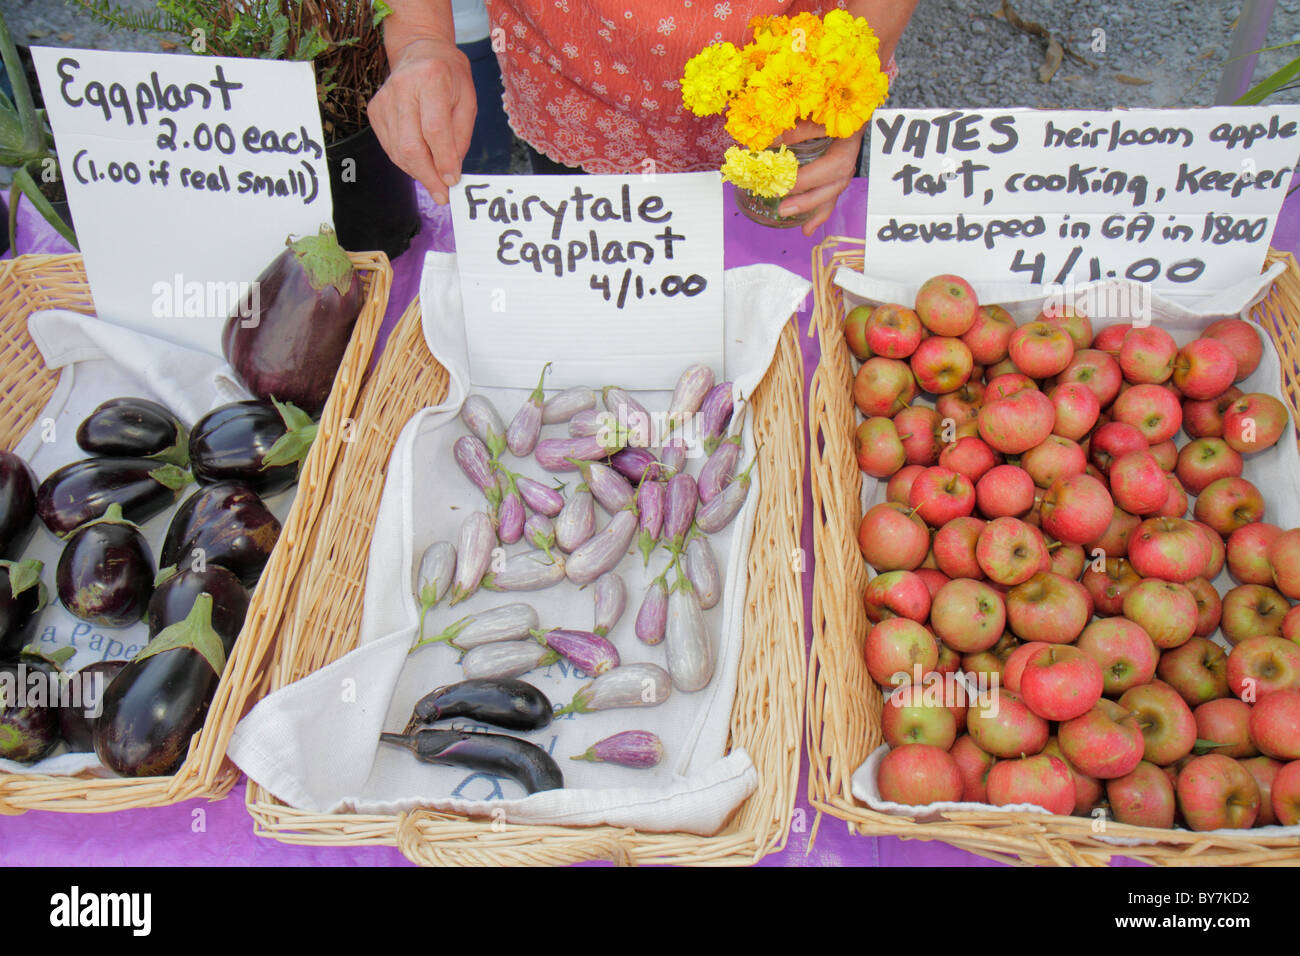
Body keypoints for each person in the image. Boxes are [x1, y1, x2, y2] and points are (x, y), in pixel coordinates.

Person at [370, 1, 918, 235]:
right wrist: (421, 39)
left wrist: (847, 89)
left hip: (788, 90)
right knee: (609, 296)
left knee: (779, 306)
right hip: (574, 84)